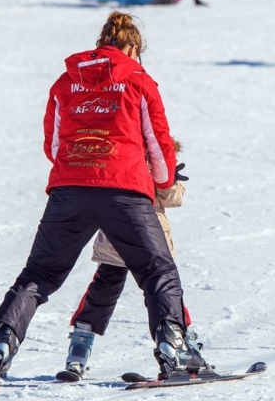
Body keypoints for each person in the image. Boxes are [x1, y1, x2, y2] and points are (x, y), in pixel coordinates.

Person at [0, 12, 208, 388]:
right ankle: (172, 346)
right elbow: (158, 142)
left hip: (69, 189)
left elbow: (54, 146)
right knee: (157, 270)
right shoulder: (138, 80)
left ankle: (2, 342)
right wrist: (163, 181)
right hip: (125, 191)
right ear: (132, 48)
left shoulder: (66, 81)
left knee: (39, 275)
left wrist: (78, 169)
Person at [63, 142, 203, 380]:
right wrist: (168, 178)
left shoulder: (117, 157)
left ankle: (79, 350)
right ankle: (179, 347)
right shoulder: (153, 163)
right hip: (152, 243)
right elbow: (173, 199)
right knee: (165, 294)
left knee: (101, 294)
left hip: (115, 240)